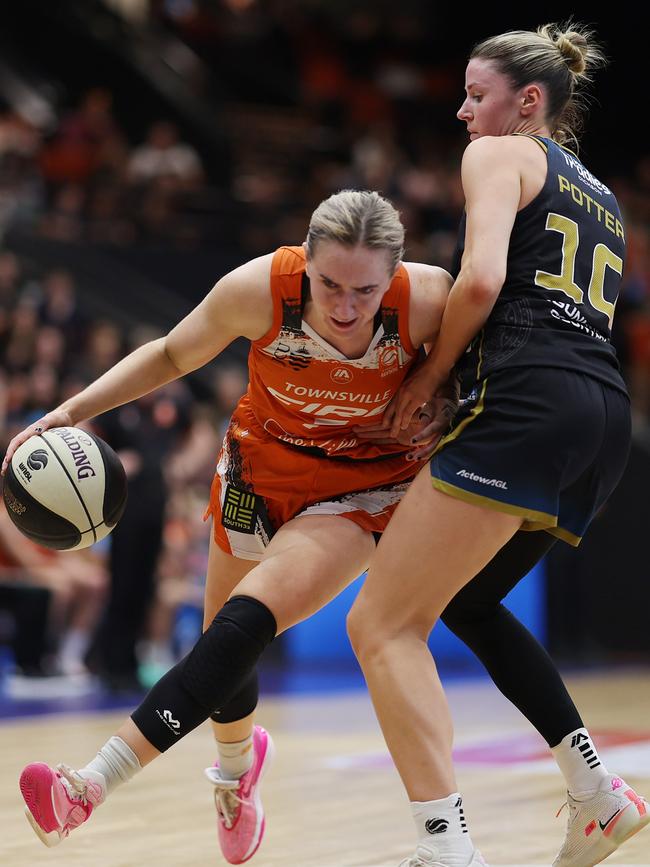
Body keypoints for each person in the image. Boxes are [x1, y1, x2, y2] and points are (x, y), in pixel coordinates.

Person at [4, 190, 454, 863]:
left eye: (365, 289)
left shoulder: (428, 301)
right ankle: (239, 774)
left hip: (363, 486)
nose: (345, 306)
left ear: (394, 275)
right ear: (305, 262)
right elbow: (167, 354)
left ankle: (88, 785)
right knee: (225, 648)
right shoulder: (257, 288)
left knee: (243, 622)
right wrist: (68, 413)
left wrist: (441, 401)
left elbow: (483, 370)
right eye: (329, 283)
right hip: (257, 469)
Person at [347, 23, 650, 867]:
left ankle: (445, 847)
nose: (462, 111)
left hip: (530, 401)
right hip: (603, 418)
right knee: (470, 603)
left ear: (527, 104)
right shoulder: (606, 196)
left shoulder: (499, 155)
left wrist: (428, 379)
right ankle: (596, 791)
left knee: (380, 623)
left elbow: (481, 280)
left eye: (476, 96)